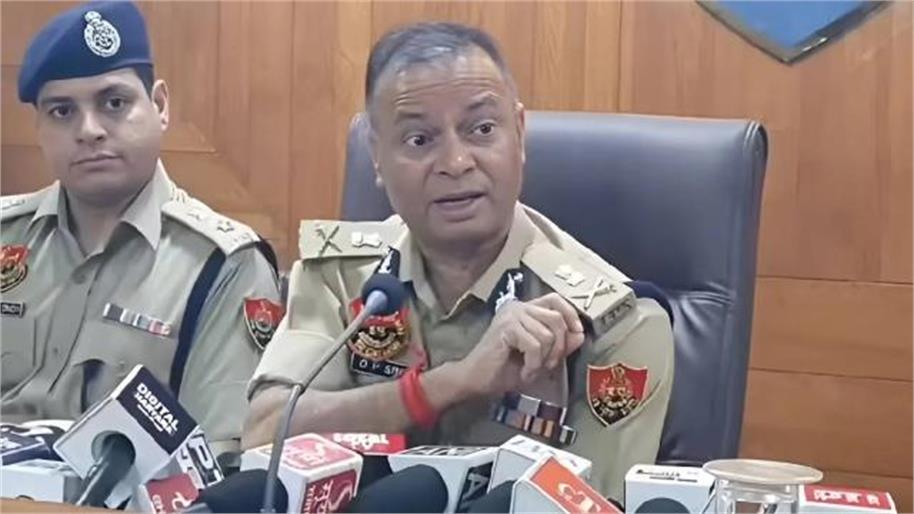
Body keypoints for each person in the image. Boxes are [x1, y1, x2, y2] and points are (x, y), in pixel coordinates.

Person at [243, 22, 673, 499]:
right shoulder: (342, 277)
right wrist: (446, 385)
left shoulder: (611, 323)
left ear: (519, 134)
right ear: (377, 157)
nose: (456, 162)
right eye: (419, 140)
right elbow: (264, 434)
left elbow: (590, 505)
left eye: (482, 130)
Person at [1, 1, 282, 456]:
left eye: (114, 103)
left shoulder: (222, 265)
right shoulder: (6, 236)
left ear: (160, 106)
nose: (89, 130)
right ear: (39, 127)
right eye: (62, 112)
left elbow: (218, 459)